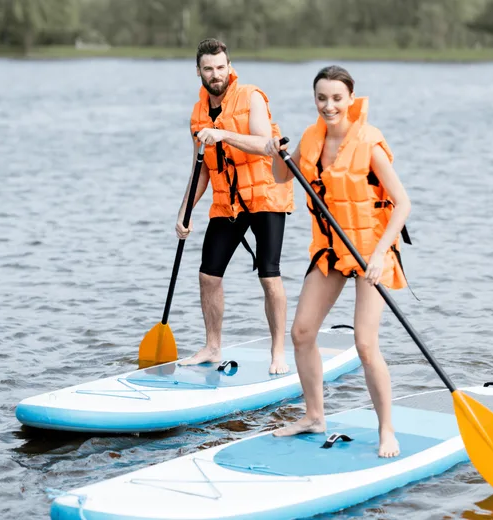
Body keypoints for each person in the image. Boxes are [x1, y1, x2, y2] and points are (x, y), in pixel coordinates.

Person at [264, 65, 412, 457]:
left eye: (336, 98)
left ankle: (387, 430)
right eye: (321, 98)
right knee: (301, 333)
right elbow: (281, 176)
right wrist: (274, 153)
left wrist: (380, 255)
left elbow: (403, 204)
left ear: (350, 99)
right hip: (332, 252)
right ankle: (315, 415)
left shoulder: (370, 144)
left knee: (365, 343)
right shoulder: (312, 138)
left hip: (370, 254)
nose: (328, 105)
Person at [175, 38, 294, 374]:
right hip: (228, 202)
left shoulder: (251, 96)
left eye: (221, 67)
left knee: (269, 276)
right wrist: (184, 211)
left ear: (230, 66)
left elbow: (263, 145)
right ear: (198, 71)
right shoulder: (197, 115)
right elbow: (201, 169)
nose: (216, 74)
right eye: (209, 69)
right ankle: (212, 347)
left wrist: (223, 134)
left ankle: (278, 354)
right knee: (207, 276)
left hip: (266, 197)